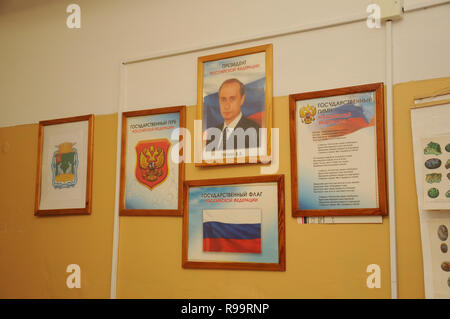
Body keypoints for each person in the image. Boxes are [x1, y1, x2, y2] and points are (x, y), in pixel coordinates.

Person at [206, 78, 260, 151]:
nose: (226, 106)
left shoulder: (254, 130)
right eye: (223, 99)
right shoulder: (213, 134)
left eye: (232, 99)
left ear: (242, 99)